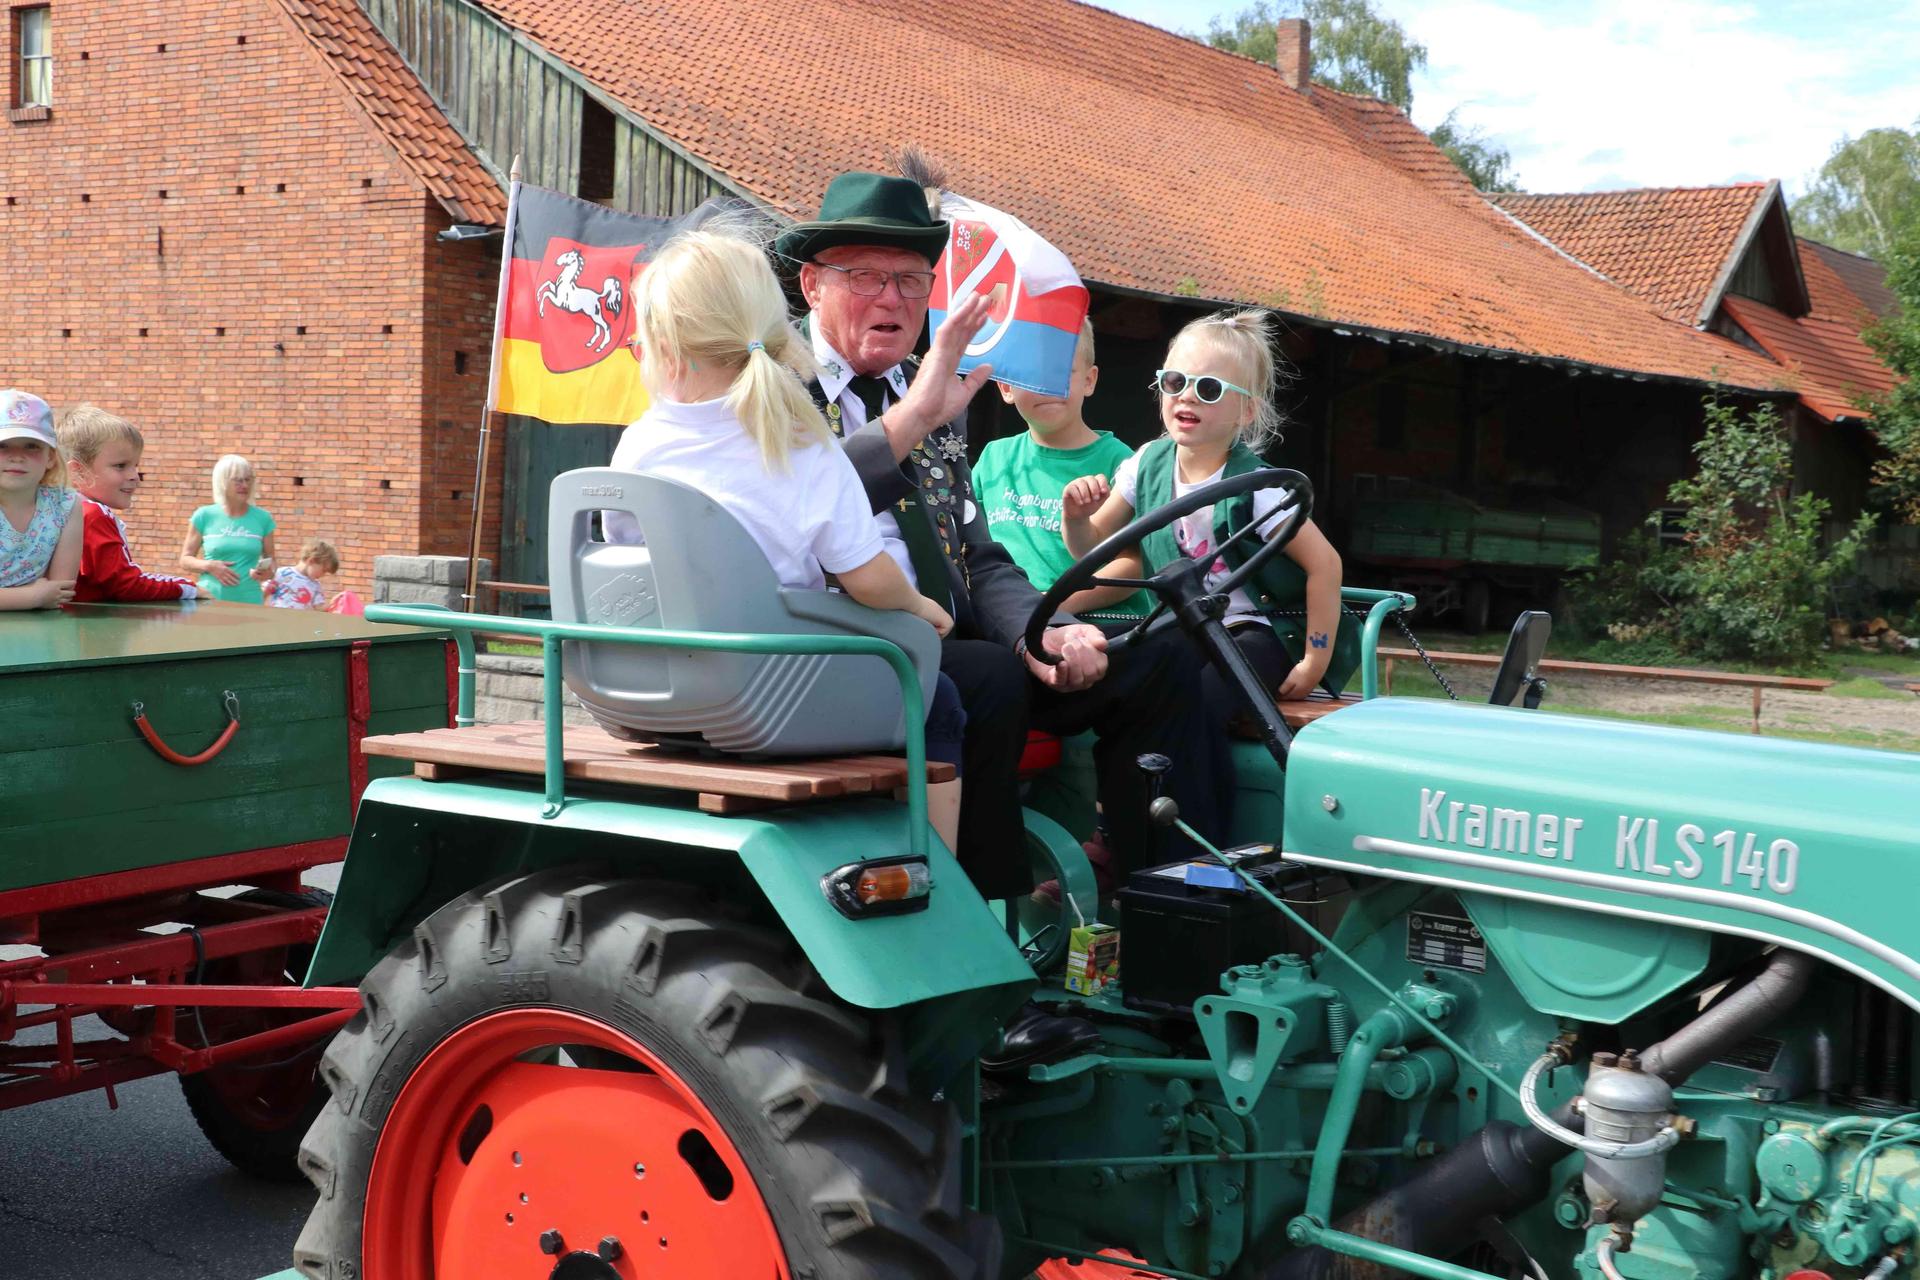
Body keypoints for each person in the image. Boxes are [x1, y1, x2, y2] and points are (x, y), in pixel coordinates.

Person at [776, 170, 1225, 904]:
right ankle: (986, 932)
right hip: (838, 652)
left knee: (1163, 658)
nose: (892, 299)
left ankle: (1170, 919)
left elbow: (975, 553)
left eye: (913, 282)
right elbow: (801, 510)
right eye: (865, 277)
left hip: (949, 644)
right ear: (812, 286)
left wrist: (1046, 633)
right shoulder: (773, 388)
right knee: (980, 677)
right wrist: (911, 420)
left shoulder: (930, 390)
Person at [606, 229, 967, 851]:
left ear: (662, 347)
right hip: (775, 688)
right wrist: (916, 607)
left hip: (650, 688)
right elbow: (864, 575)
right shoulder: (798, 441)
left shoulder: (639, 444)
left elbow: (623, 554)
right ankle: (936, 868)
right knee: (940, 696)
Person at [1062, 309, 1359, 734]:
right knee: (1125, 695)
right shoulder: (1146, 464)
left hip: (1254, 630)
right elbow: (1090, 547)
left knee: (1197, 705)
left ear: (1246, 411)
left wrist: (1315, 658)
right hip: (1183, 628)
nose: (1187, 397)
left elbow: (1325, 565)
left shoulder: (1258, 487)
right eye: (1175, 382)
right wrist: (1075, 518)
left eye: (1209, 388)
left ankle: (1196, 800)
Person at [973, 321, 1153, 619]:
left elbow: (1139, 562)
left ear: (1089, 380)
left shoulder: (1121, 462)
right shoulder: (993, 458)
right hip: (1008, 620)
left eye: (1061, 372)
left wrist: (1055, 604)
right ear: (1005, 386)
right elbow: (969, 546)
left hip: (1104, 623)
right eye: (1031, 374)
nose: (1047, 385)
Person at [58, 404, 199, 603]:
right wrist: (188, 588)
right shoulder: (93, 514)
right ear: (78, 472)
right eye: (120, 466)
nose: (134, 476)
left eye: (135, 466)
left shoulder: (56, 507)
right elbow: (125, 583)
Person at [0, 389, 82, 611]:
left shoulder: (65, 505)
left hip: (36, 633)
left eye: (31, 446)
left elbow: (60, 591)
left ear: (50, 458)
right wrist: (32, 597)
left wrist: (43, 596)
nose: (17, 456)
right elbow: (46, 595)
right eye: (3, 445)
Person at [181, 454, 276, 603]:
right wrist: (209, 566)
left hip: (250, 601)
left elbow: (272, 562)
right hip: (210, 599)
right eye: (238, 480)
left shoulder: (263, 518)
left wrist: (267, 572)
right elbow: (185, 560)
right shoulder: (204, 515)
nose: (244, 485)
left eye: (248, 479)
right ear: (223, 482)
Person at [266, 538, 339, 610]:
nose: (323, 575)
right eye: (323, 570)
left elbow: (319, 608)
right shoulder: (281, 573)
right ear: (311, 561)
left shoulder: (316, 586)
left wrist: (333, 603)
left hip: (300, 621)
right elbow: (263, 593)